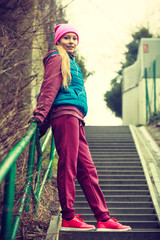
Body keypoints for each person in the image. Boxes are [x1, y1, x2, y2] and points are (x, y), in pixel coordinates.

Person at [29, 23, 131, 232]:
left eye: (74, 38)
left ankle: (103, 218)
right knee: (68, 165)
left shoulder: (72, 62)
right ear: (58, 40)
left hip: (75, 118)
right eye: (67, 38)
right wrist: (39, 119)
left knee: (88, 169)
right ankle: (67, 216)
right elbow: (49, 89)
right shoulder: (56, 58)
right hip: (65, 116)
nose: (72, 42)